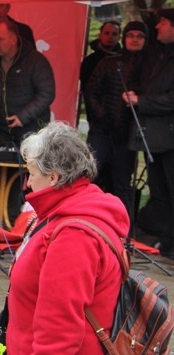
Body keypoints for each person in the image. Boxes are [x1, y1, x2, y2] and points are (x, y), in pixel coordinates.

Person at [5, 121, 129, 355]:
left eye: (32, 173)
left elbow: (59, 323)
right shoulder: (75, 209)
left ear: (54, 177)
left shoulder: (73, 234)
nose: (28, 182)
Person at [124, 9, 174, 259]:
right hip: (155, 138)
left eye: (162, 23)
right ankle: (166, 241)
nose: (157, 28)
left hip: (170, 138)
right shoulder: (159, 55)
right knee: (159, 192)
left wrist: (142, 101)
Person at [84, 21, 147, 220]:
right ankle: (82, 218)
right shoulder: (109, 62)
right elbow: (91, 92)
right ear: (124, 38)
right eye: (131, 35)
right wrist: (102, 116)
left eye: (139, 36)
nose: (134, 39)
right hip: (102, 131)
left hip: (128, 134)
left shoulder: (149, 67)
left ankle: (123, 230)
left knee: (122, 183)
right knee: (87, 176)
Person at [0, 20, 55, 147]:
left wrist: (23, 117)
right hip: (2, 132)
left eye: (0, 39)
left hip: (33, 132)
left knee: (32, 166)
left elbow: (47, 93)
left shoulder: (35, 60)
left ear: (13, 40)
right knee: (4, 166)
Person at [79, 21, 122, 93]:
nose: (110, 36)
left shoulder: (124, 60)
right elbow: (86, 89)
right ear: (100, 35)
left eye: (114, 34)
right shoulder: (89, 61)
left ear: (119, 37)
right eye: (107, 33)